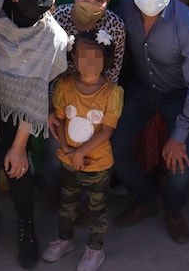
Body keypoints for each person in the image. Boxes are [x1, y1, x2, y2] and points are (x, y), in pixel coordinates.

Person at [0, 0, 69, 269]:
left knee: (16, 166)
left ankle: (26, 227)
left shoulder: (52, 37)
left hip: (20, 111)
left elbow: (35, 92)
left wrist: (19, 147)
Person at [112, 0, 189, 244]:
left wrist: (179, 136)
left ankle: (174, 210)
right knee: (115, 149)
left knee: (179, 163)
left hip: (178, 94)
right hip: (141, 88)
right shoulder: (126, 7)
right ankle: (145, 200)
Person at [43, 32, 124, 271]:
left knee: (96, 207)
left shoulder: (112, 93)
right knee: (67, 202)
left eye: (95, 57)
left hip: (97, 165)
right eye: (82, 56)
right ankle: (64, 239)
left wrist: (80, 153)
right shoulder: (64, 85)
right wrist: (67, 149)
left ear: (106, 59)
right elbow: (59, 121)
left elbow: (106, 131)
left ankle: (95, 249)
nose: (88, 63)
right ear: (74, 58)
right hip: (68, 159)